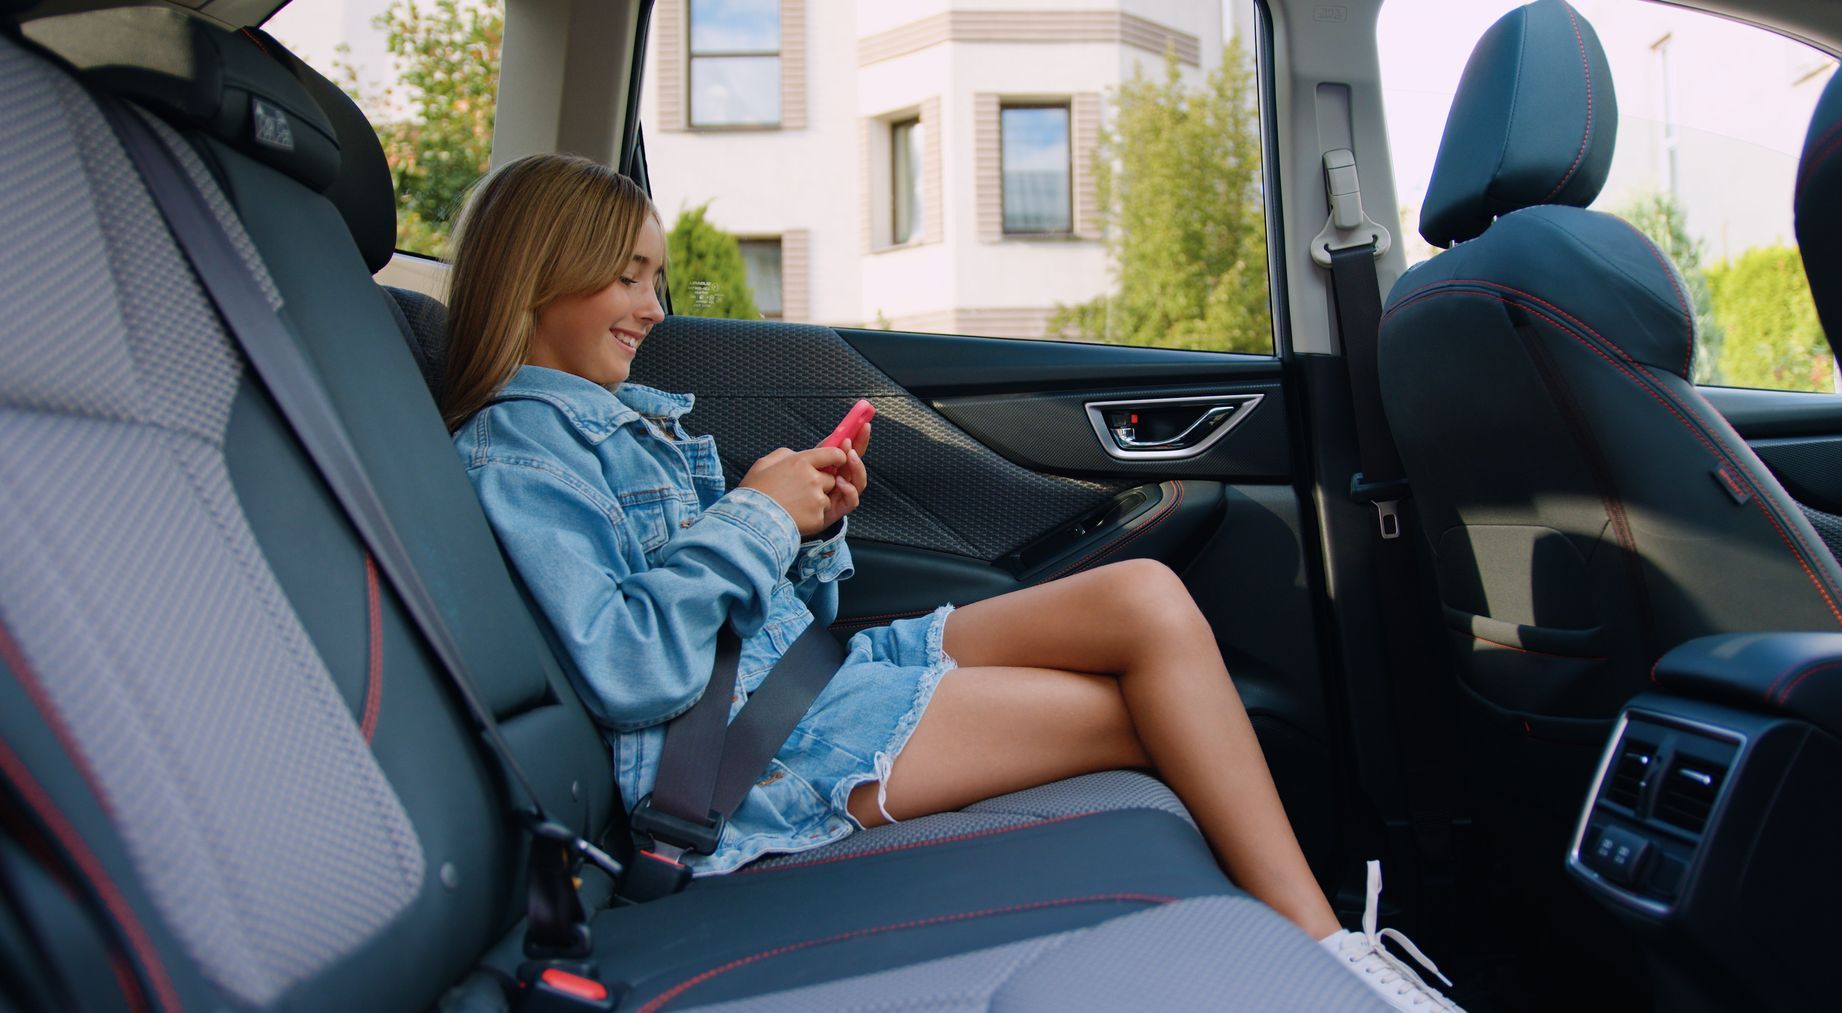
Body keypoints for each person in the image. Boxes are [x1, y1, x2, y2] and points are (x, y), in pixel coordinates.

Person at [440, 153, 1460, 1011]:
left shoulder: (630, 427)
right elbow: (633, 664)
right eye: (628, 278)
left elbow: (770, 619)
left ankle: (1318, 938)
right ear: (543, 270)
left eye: (655, 281)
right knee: (1148, 713)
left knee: (1142, 595)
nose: (653, 308)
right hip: (756, 759)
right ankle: (1329, 952)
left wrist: (811, 528)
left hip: (811, 681)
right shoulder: (518, 456)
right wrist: (757, 515)